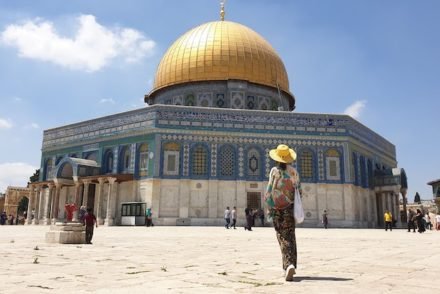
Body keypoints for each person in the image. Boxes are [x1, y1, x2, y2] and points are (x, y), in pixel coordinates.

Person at [264, 144, 300, 281]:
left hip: (277, 209)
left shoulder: (274, 171)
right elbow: (299, 192)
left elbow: (268, 191)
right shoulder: (294, 172)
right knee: (290, 236)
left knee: (282, 236)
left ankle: (288, 265)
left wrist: (269, 208)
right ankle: (291, 265)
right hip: (289, 209)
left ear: (277, 158)